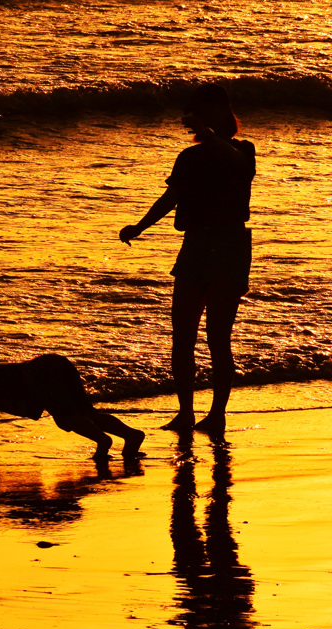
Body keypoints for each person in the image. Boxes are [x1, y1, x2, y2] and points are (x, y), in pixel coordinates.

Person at [119, 83, 256, 435]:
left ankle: (217, 414)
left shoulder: (243, 150)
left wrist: (210, 134)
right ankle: (185, 412)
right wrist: (140, 226)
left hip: (229, 245)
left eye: (208, 112)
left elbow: (236, 162)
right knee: (182, 335)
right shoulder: (189, 157)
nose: (201, 120)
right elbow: (172, 197)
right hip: (195, 245)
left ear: (224, 113)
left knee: (217, 337)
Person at [0, 330, 145, 458]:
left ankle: (103, 441)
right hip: (53, 363)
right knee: (86, 412)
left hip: (39, 374)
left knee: (66, 419)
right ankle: (131, 435)